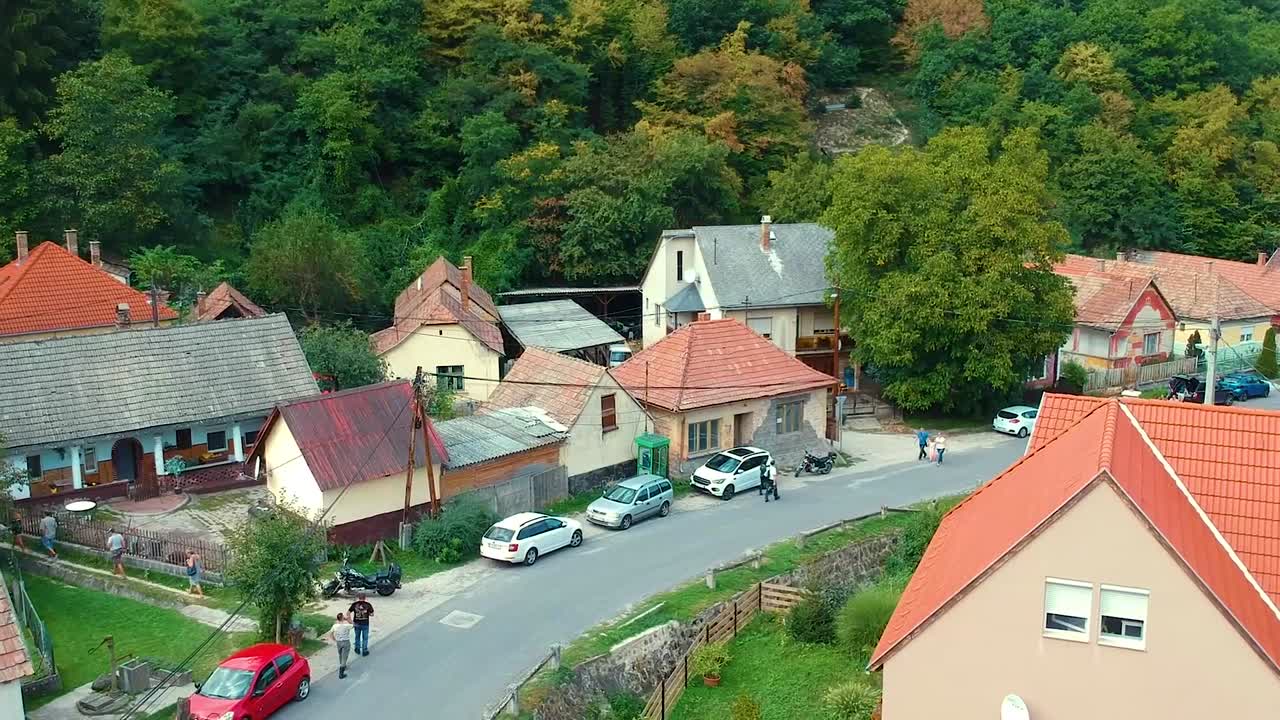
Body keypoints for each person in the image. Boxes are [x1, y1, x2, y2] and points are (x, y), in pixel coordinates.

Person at [330, 612, 353, 679]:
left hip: (339, 642)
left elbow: (331, 634)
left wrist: (334, 639)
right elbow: (353, 624)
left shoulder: (334, 626)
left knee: (340, 654)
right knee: (344, 656)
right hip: (345, 642)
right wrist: (348, 619)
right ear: (343, 618)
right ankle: (341, 672)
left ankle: (342, 665)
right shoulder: (346, 626)